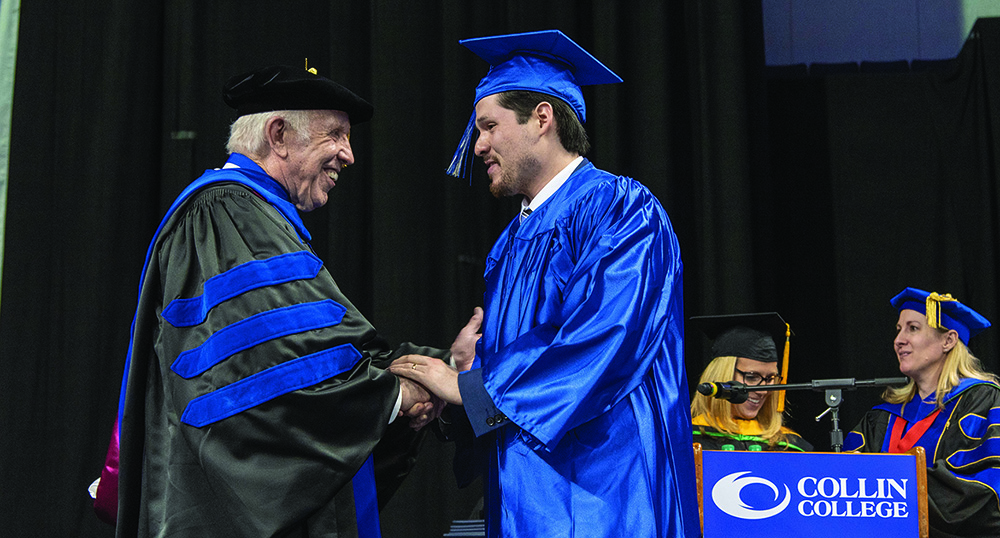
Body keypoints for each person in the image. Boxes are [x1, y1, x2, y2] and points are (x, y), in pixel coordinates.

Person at [96, 65, 452, 538]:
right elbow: (265, 368)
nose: (349, 154)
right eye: (336, 135)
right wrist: (395, 394)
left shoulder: (257, 216)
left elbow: (320, 348)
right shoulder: (226, 214)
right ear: (279, 134)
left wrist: (442, 367)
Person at [390, 30, 700, 537]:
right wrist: (462, 383)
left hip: (604, 492)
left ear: (541, 118)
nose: (477, 146)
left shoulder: (621, 208)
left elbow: (606, 336)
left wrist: (475, 390)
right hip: (525, 492)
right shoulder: (511, 241)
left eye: (488, 127)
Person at [845, 287, 1000, 535]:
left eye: (913, 328)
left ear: (948, 340)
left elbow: (984, 493)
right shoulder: (881, 418)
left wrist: (886, 484)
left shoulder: (982, 401)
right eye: (898, 330)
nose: (898, 340)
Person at [689, 312, 813, 452]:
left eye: (771, 378)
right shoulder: (686, 440)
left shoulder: (790, 446)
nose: (763, 391)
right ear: (722, 376)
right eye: (752, 377)